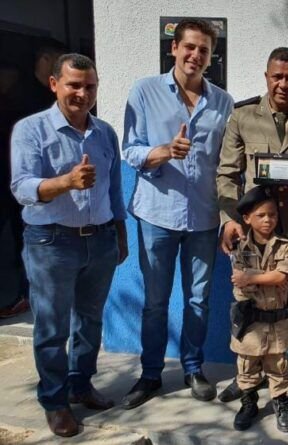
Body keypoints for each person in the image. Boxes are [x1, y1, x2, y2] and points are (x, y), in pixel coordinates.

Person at [10, 53, 127, 437]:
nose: (82, 93)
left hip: (101, 240)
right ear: (54, 84)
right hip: (51, 243)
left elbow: (113, 188)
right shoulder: (31, 129)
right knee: (52, 327)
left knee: (90, 321)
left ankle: (80, 384)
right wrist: (66, 182)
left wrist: (119, 233)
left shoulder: (105, 132)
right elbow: (22, 188)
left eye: (89, 86)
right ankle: (55, 401)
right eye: (74, 85)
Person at [120, 18, 234, 409]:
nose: (195, 55)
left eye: (203, 50)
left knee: (198, 300)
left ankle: (192, 367)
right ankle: (150, 374)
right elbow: (130, 150)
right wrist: (164, 151)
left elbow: (226, 162)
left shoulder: (223, 101)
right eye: (189, 47)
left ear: (210, 57)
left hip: (203, 217)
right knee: (155, 300)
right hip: (157, 215)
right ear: (174, 48)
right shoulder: (145, 91)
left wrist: (231, 212)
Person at [217, 47, 288, 405]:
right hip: (255, 235)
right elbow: (227, 173)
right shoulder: (243, 116)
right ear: (266, 77)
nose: (284, 84)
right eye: (278, 77)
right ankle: (249, 377)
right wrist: (230, 220)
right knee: (252, 304)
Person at [0, 42, 66, 319]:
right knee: (24, 241)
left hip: (50, 200)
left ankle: (32, 295)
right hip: (20, 185)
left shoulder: (41, 97)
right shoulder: (24, 101)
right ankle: (26, 296)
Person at [228, 186, 288, 432]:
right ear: (247, 218)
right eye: (261, 215)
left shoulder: (285, 245)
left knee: (278, 367)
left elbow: (283, 276)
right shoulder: (239, 249)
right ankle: (249, 403)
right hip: (250, 323)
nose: (268, 220)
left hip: (277, 321)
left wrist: (251, 277)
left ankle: (281, 403)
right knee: (247, 366)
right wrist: (256, 278)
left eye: (272, 215)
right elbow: (240, 286)